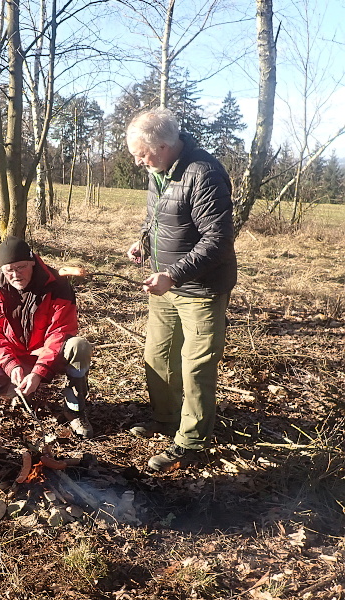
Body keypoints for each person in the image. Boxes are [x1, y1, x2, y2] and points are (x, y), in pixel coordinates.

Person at [125, 107, 237, 472]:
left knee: (196, 367)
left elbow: (217, 240)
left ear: (162, 145)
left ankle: (192, 442)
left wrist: (172, 274)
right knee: (157, 356)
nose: (138, 162)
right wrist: (143, 240)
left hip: (201, 289)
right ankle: (166, 416)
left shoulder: (203, 174)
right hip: (166, 285)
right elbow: (156, 216)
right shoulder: (159, 171)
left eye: (141, 154)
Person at [0, 236, 95, 438]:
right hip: (16, 353)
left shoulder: (57, 284)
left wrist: (39, 371)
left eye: (21, 267)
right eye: (9, 270)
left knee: (79, 347)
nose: (16, 275)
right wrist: (11, 365)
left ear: (32, 261)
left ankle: (75, 409)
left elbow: (59, 332)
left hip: (49, 353)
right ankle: (22, 393)